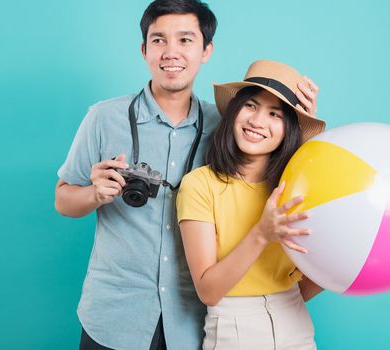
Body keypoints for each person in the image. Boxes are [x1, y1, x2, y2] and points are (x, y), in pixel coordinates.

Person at [55, 0, 320, 348]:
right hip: (115, 314)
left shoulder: (228, 127)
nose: (171, 52)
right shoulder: (104, 118)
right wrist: (94, 194)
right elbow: (62, 199)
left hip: (193, 321)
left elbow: (278, 165)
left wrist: (299, 123)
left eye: (185, 40)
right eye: (159, 40)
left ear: (206, 50)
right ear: (144, 49)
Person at [176, 60, 326, 350]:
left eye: (275, 114)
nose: (258, 122)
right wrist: (261, 233)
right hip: (233, 329)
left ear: (289, 127)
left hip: (296, 323)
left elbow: (305, 285)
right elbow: (208, 291)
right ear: (234, 111)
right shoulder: (200, 185)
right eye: (251, 106)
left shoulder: (296, 188)